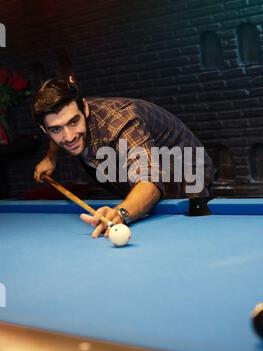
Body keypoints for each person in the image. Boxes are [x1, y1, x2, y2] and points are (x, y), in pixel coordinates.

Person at [32, 78, 215, 238]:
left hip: (187, 180)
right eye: (56, 129)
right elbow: (60, 127)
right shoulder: (64, 119)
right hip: (140, 185)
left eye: (74, 122)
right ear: (44, 130)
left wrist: (120, 213)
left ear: (85, 108)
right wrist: (51, 158)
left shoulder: (122, 125)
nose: (69, 136)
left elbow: (148, 180)